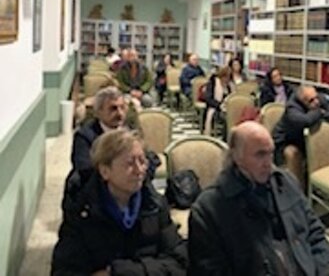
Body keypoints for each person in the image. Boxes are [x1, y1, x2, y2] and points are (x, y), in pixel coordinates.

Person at [189, 121, 329, 275]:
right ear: (237, 157)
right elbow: (210, 270)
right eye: (260, 154)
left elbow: (315, 233)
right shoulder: (208, 209)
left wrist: (328, 270)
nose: (268, 163)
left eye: (271, 153)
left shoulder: (286, 182)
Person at [52, 130, 188, 274]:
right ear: (105, 171)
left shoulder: (155, 205)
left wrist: (120, 272)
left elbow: (179, 262)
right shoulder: (82, 212)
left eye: (142, 161)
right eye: (129, 164)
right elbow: (63, 270)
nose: (139, 170)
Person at [272, 85, 329, 186]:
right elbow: (306, 121)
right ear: (302, 101)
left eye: (316, 97)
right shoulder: (291, 108)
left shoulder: (316, 97)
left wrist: (322, 114)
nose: (316, 102)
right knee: (293, 153)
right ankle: (299, 188)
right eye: (311, 101)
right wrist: (319, 112)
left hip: (305, 138)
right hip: (286, 141)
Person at [72, 87, 127, 173]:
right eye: (113, 108)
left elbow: (148, 158)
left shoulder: (129, 131)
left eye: (122, 107)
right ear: (98, 112)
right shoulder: (85, 136)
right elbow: (84, 168)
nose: (120, 113)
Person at [202, 66, 233, 135]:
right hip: (215, 108)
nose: (227, 79)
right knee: (227, 118)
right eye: (225, 77)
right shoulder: (213, 83)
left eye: (228, 77)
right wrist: (219, 105)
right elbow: (208, 99)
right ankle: (226, 136)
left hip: (227, 107)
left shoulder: (230, 85)